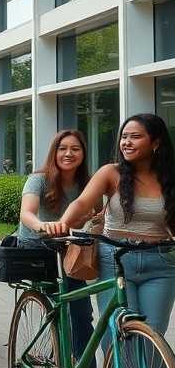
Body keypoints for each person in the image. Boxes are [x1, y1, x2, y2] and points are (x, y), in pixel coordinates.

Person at [53, 114, 175, 349]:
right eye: (124, 137)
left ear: (156, 142)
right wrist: (63, 222)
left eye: (136, 137)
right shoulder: (111, 172)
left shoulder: (169, 177)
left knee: (154, 339)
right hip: (116, 259)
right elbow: (81, 203)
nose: (127, 142)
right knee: (119, 334)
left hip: (161, 262)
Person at [17, 130, 97, 368]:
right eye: (63, 148)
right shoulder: (38, 179)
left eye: (75, 149)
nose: (68, 153)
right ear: (54, 152)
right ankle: (57, 351)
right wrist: (42, 225)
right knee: (60, 305)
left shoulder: (87, 184)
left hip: (68, 250)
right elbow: (27, 212)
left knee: (82, 312)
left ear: (83, 154)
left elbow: (95, 213)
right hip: (36, 249)